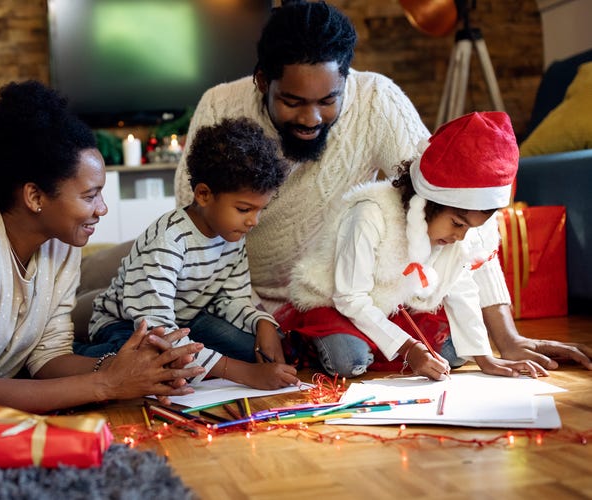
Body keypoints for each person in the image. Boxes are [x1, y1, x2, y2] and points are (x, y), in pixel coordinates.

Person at [174, 0, 592, 370]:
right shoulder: (220, 106)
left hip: (353, 296)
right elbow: (191, 227)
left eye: (328, 100)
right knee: (217, 346)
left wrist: (507, 338)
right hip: (244, 303)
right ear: (263, 82)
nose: (311, 119)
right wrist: (250, 315)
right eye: (293, 101)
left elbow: (459, 204)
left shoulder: (376, 100)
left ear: (347, 81)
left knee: (452, 345)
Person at [0, 80, 205, 414]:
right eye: (90, 196)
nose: (102, 209)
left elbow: (48, 356)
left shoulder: (61, 241)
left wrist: (130, 370)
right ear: (35, 197)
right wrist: (108, 384)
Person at [286, 111, 547, 379]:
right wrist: (409, 349)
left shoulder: (452, 234)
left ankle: (385, 347)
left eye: (470, 229)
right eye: (457, 223)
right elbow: (350, 298)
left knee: (456, 353)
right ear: (428, 203)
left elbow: (460, 286)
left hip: (395, 308)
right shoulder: (370, 214)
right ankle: (310, 344)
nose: (460, 237)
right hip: (340, 304)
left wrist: (485, 358)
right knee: (348, 360)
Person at [76, 118, 300, 390]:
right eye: (244, 209)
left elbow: (229, 299)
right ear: (204, 195)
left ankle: (197, 364)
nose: (253, 221)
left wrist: (262, 323)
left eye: (259, 210)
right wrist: (245, 374)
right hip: (129, 327)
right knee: (151, 366)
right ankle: (79, 355)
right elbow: (155, 329)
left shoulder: (232, 233)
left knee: (253, 349)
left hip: (187, 321)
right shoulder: (168, 240)